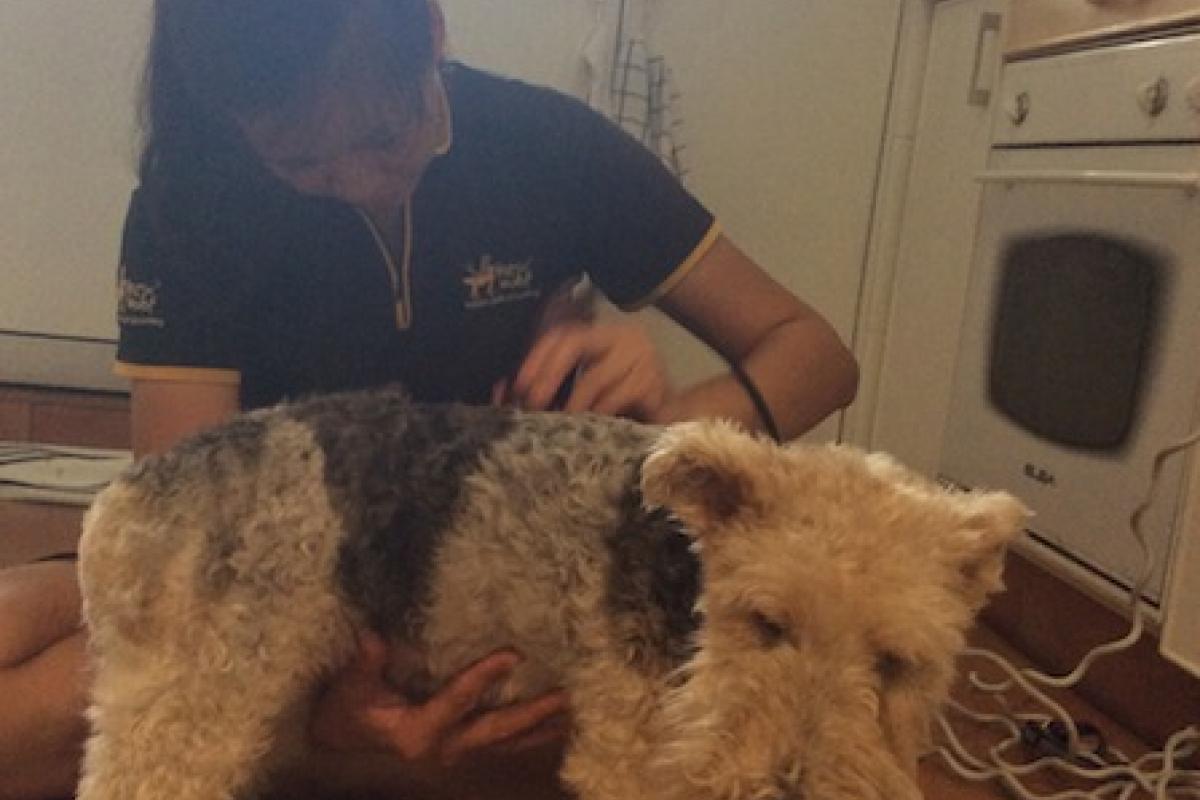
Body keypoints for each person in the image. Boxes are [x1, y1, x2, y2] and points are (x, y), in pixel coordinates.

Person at [0, 0, 858, 796]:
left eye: (384, 136)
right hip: (290, 585)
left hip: (487, 594)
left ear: (435, 34)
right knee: (40, 622)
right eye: (300, 161)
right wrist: (324, 716)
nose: (357, 179)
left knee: (36, 721)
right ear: (235, 119)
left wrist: (664, 440)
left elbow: (816, 356)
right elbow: (190, 524)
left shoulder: (547, 145)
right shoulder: (193, 195)